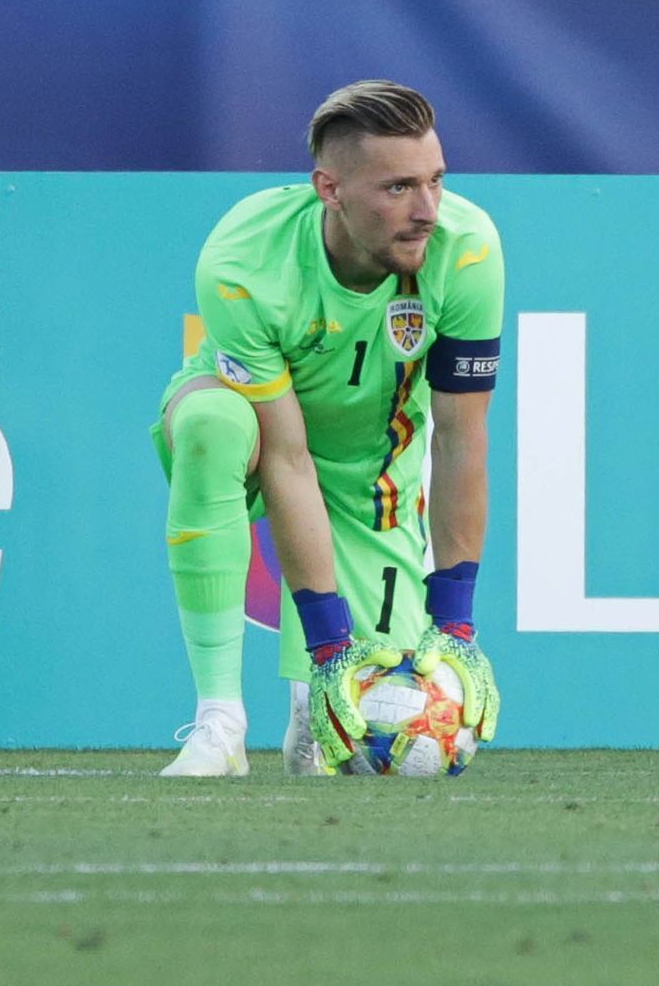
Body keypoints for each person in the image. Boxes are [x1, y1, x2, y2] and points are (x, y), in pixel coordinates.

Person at [150, 80, 503, 776]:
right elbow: (288, 459)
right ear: (329, 189)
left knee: (366, 731)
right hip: (259, 431)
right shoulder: (244, 262)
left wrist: (456, 623)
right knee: (213, 424)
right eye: (398, 188)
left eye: (435, 181)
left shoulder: (466, 251)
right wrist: (328, 645)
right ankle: (220, 722)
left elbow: (460, 438)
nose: (427, 210)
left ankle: (306, 709)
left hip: (370, 463)